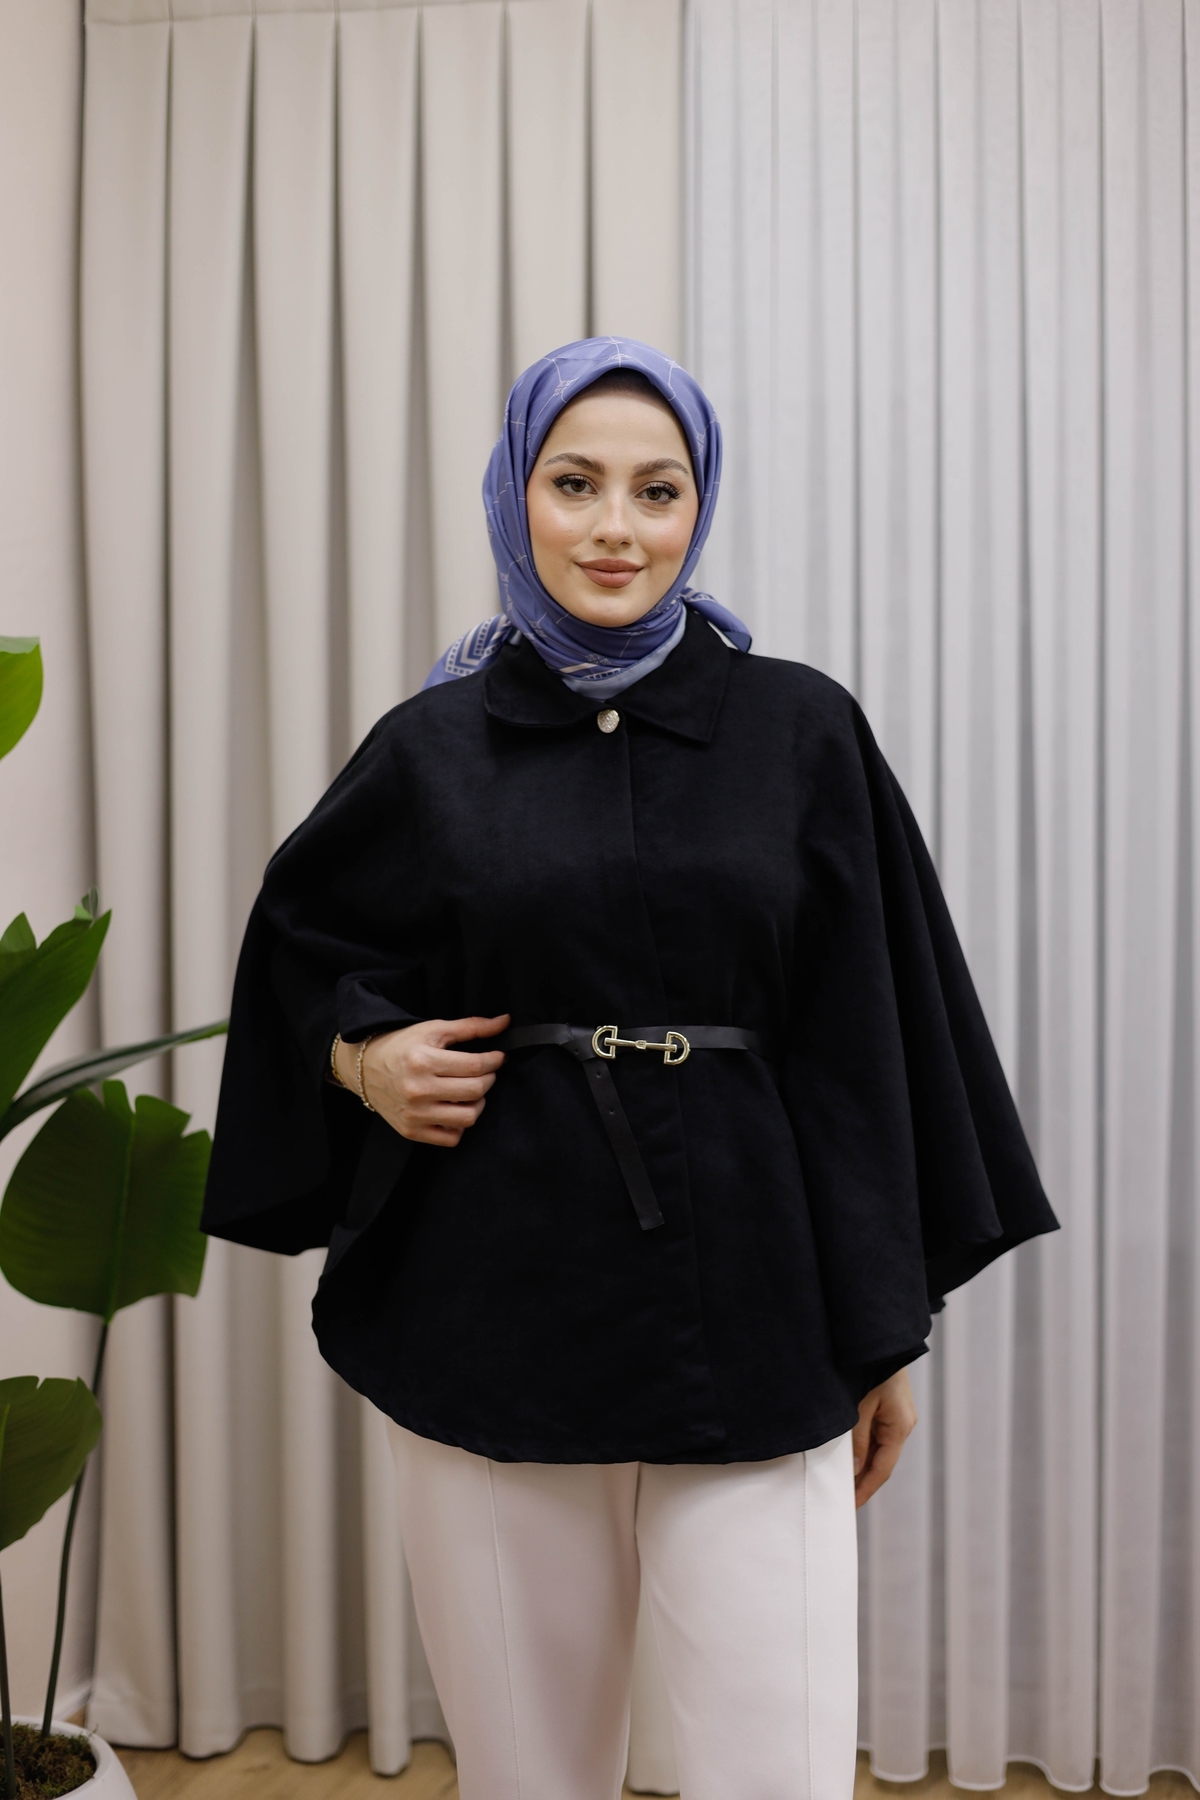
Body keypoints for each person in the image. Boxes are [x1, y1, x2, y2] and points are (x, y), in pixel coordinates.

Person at [203, 337, 1057, 1800]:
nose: (616, 528)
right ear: (514, 496)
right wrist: (362, 1059)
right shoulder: (433, 746)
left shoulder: (800, 728)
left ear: (699, 505)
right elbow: (301, 952)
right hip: (489, 1312)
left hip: (762, 1314)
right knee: (530, 1781)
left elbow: (871, 1035)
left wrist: (885, 1328)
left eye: (658, 491)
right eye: (575, 483)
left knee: (777, 1777)